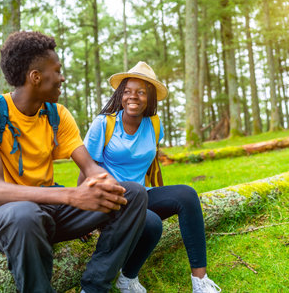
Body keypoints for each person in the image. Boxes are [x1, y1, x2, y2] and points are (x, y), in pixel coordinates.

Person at [0, 31, 148, 293]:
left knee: (132, 193)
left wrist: (106, 186)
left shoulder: (58, 114)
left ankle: (94, 286)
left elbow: (90, 168)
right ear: (36, 77)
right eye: (57, 70)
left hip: (50, 211)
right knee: (25, 215)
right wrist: (72, 196)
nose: (62, 77)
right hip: (5, 216)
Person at [80, 62, 221, 293]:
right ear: (120, 95)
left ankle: (200, 281)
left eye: (140, 92)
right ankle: (127, 277)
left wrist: (165, 194)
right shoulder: (104, 124)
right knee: (152, 222)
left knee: (187, 194)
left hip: (141, 195)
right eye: (127, 91)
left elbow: (152, 164)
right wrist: (83, 212)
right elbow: (86, 166)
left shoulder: (154, 124)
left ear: (150, 97)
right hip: (110, 200)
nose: (132, 97)